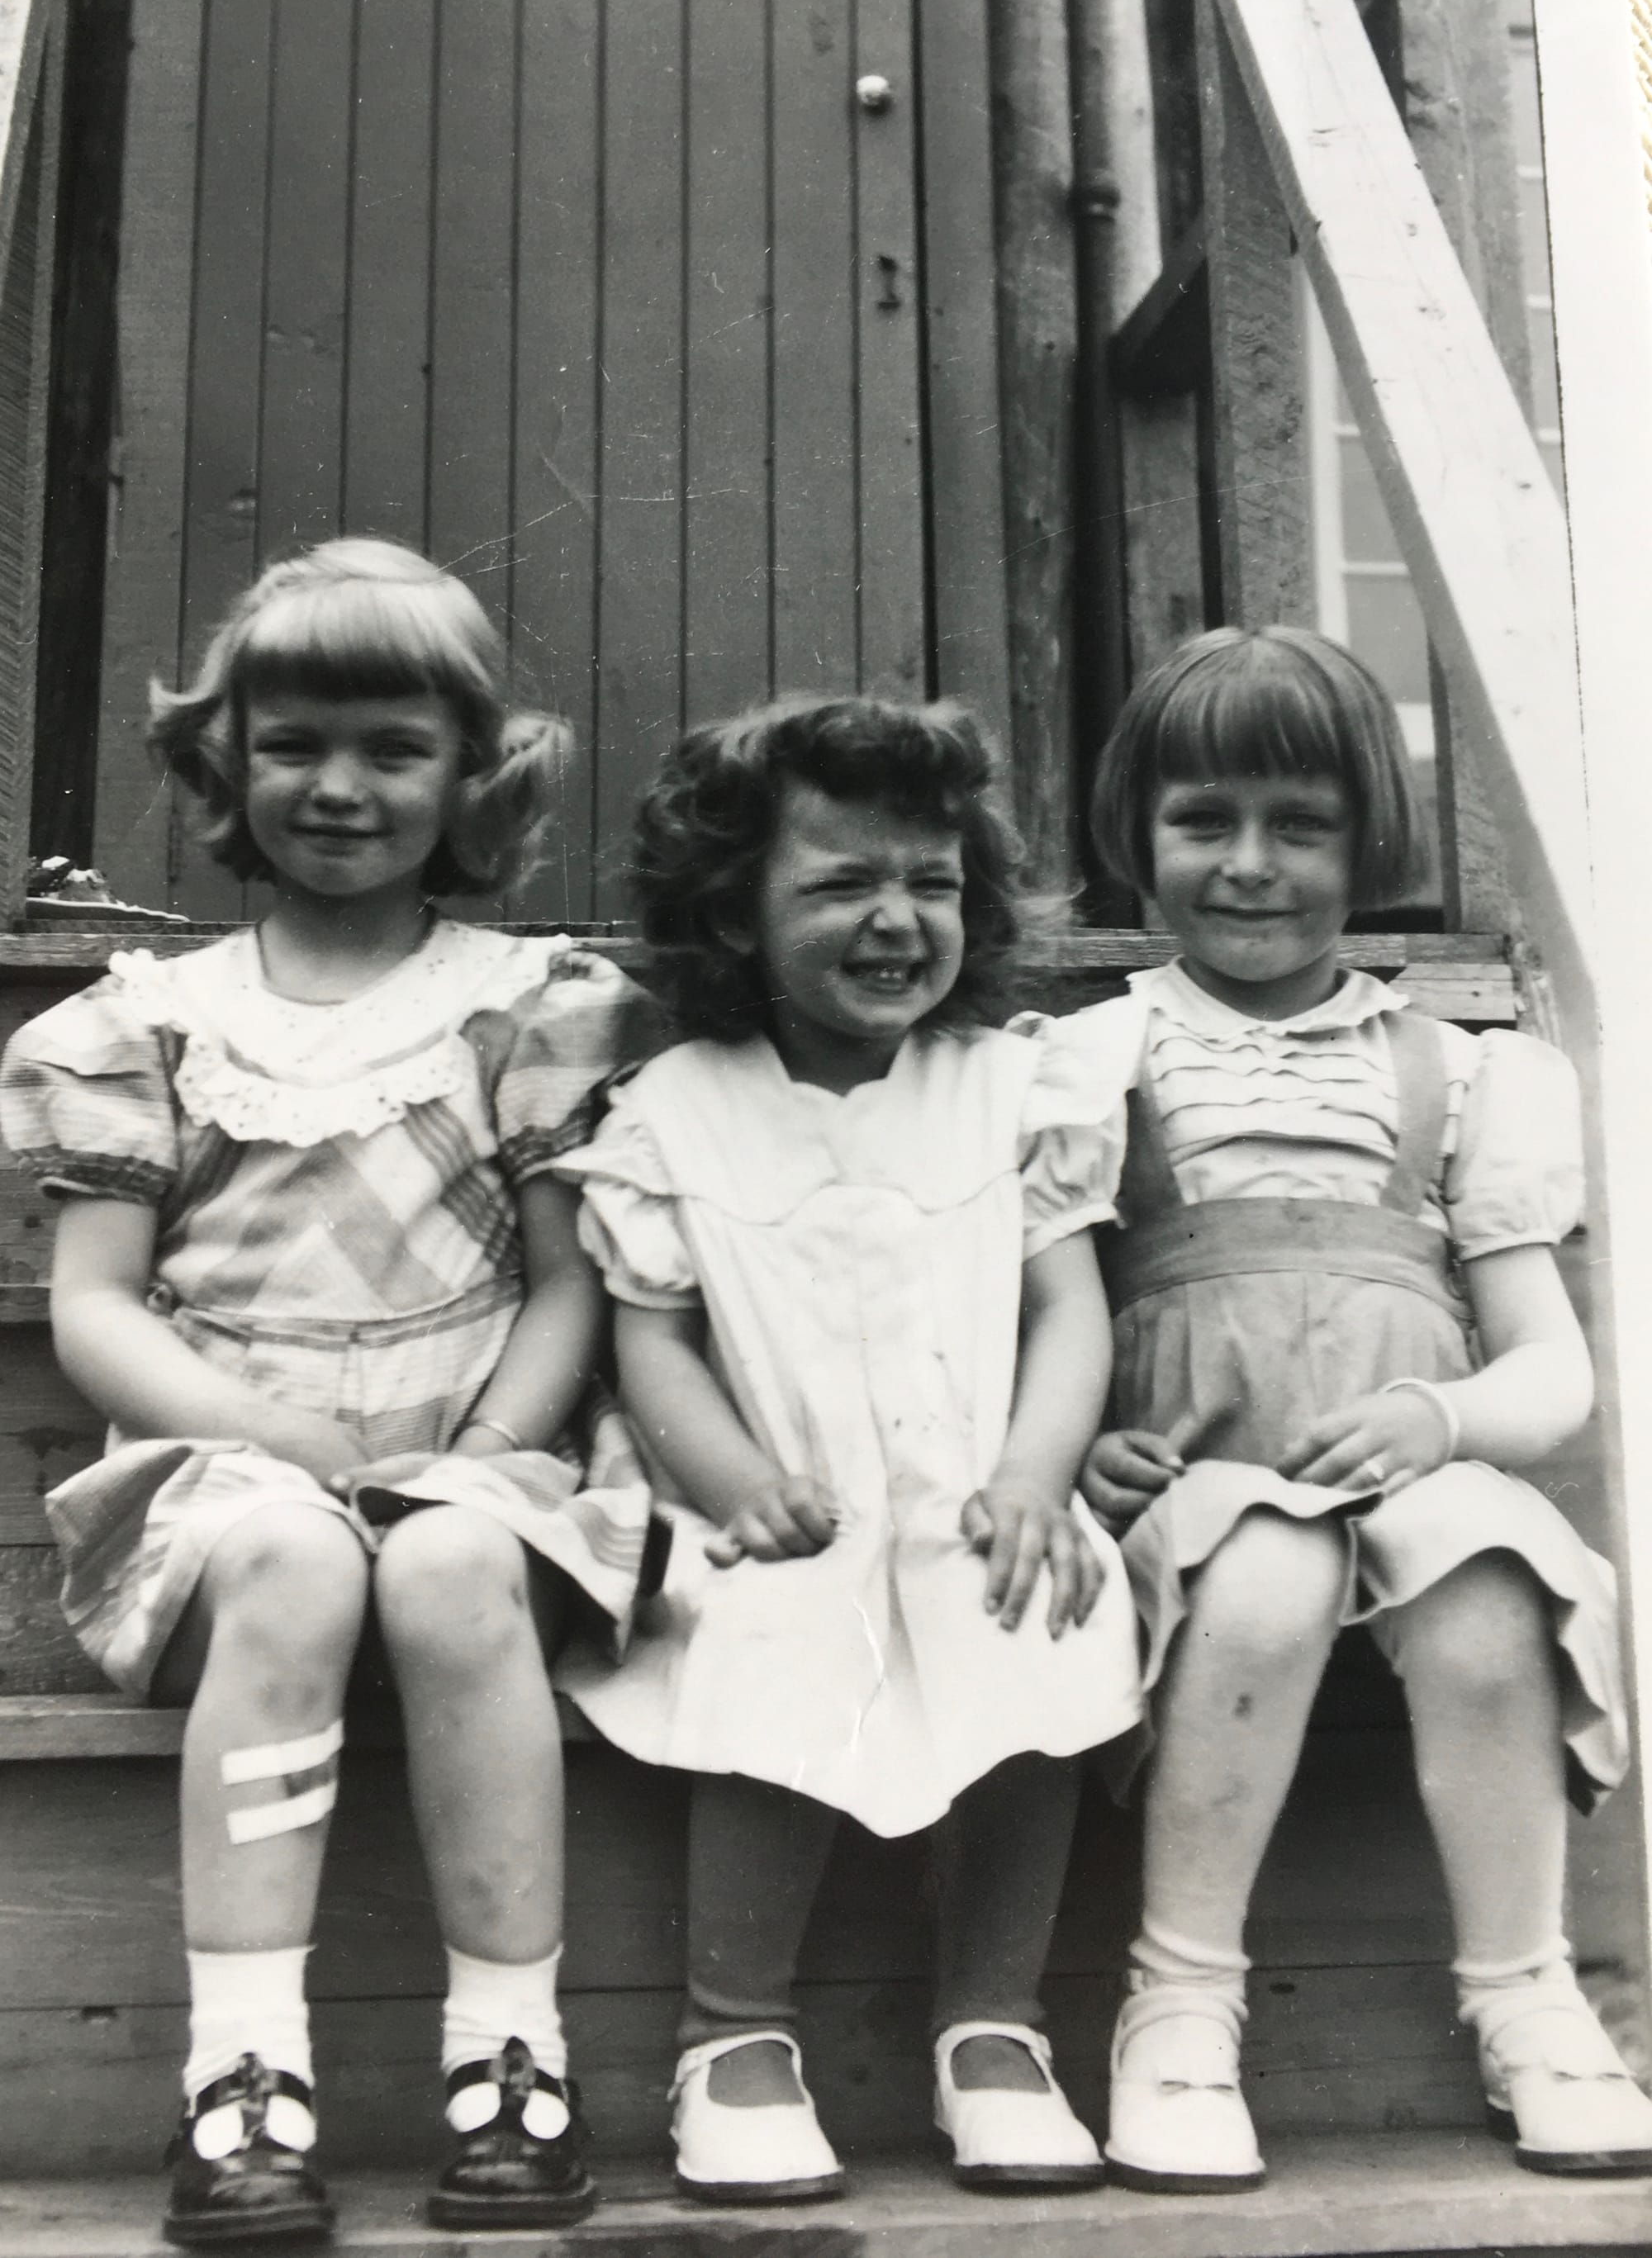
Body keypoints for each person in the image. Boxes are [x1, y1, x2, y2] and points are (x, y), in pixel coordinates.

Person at [0, 539, 662, 2245]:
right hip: (229, 1450)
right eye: (293, 742)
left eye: (392, 746)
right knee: (294, 1560)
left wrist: (493, 1445)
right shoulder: (143, 1024)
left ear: (469, 773)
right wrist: (270, 1434)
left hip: (481, 1431)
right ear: (224, 761)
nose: (340, 785)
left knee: (444, 1563)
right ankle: (244, 2078)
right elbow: (92, 1307)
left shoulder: (526, 1006)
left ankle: (511, 2053)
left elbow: (570, 1278)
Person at [1031, 624, 1652, 2194]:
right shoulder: (1093, 1064)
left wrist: (1440, 1423)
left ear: (1368, 839)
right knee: (1268, 1559)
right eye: (1205, 823)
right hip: (1207, 1494)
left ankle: (1528, 1990)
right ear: (1137, 834)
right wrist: (1087, 1443)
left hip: (1410, 1471)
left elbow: (1546, 1370)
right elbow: (1043, 1328)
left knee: (1485, 1571)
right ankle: (1179, 1999)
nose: (1252, 866)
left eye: (1300, 827)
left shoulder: (1461, 1074)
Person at [552, 695, 1143, 2206]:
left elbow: (1066, 1309)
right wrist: (733, 1481)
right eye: (839, 886)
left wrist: (1035, 1476)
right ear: (733, 914)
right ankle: (731, 2035)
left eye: (930, 885)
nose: (896, 921)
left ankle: (993, 2022)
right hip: (780, 1503)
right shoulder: (674, 1114)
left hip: (976, 1491)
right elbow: (653, 1335)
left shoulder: (1012, 1090)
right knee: (777, 1614)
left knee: (1042, 1599)